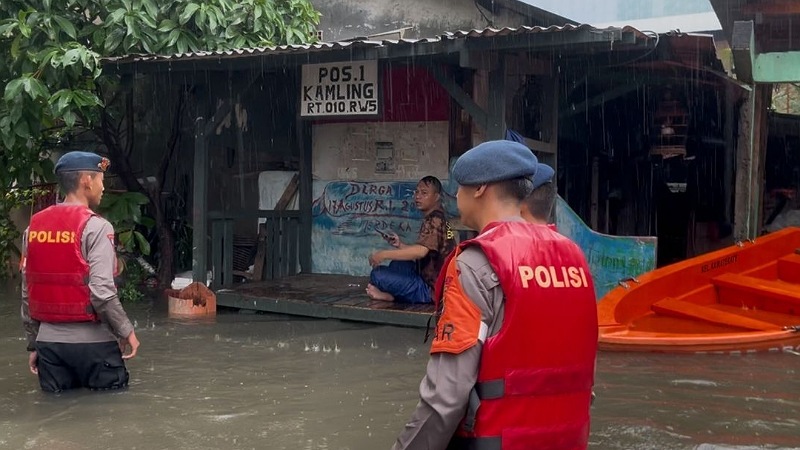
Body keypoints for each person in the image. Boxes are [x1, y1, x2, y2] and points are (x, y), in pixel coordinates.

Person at [391, 141, 598, 449]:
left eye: (458, 188)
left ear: (479, 188)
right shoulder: (573, 256)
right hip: (567, 438)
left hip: (498, 439)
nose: (456, 197)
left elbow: (445, 399)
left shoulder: (469, 257)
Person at [21, 151, 140, 393]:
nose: (103, 187)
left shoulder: (33, 227)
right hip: (95, 347)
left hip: (50, 348)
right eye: (101, 180)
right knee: (110, 417)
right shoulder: (96, 227)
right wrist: (127, 331)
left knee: (56, 419)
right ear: (87, 181)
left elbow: (27, 293)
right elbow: (102, 292)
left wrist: (34, 344)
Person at [367, 176, 456, 303]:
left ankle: (391, 297)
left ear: (436, 197)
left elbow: (420, 252)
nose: (418, 196)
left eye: (424, 193)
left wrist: (383, 254)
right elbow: (426, 251)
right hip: (429, 279)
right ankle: (395, 293)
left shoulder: (435, 220)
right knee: (398, 264)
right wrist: (400, 244)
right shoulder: (437, 217)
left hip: (432, 291)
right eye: (417, 192)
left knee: (377, 275)